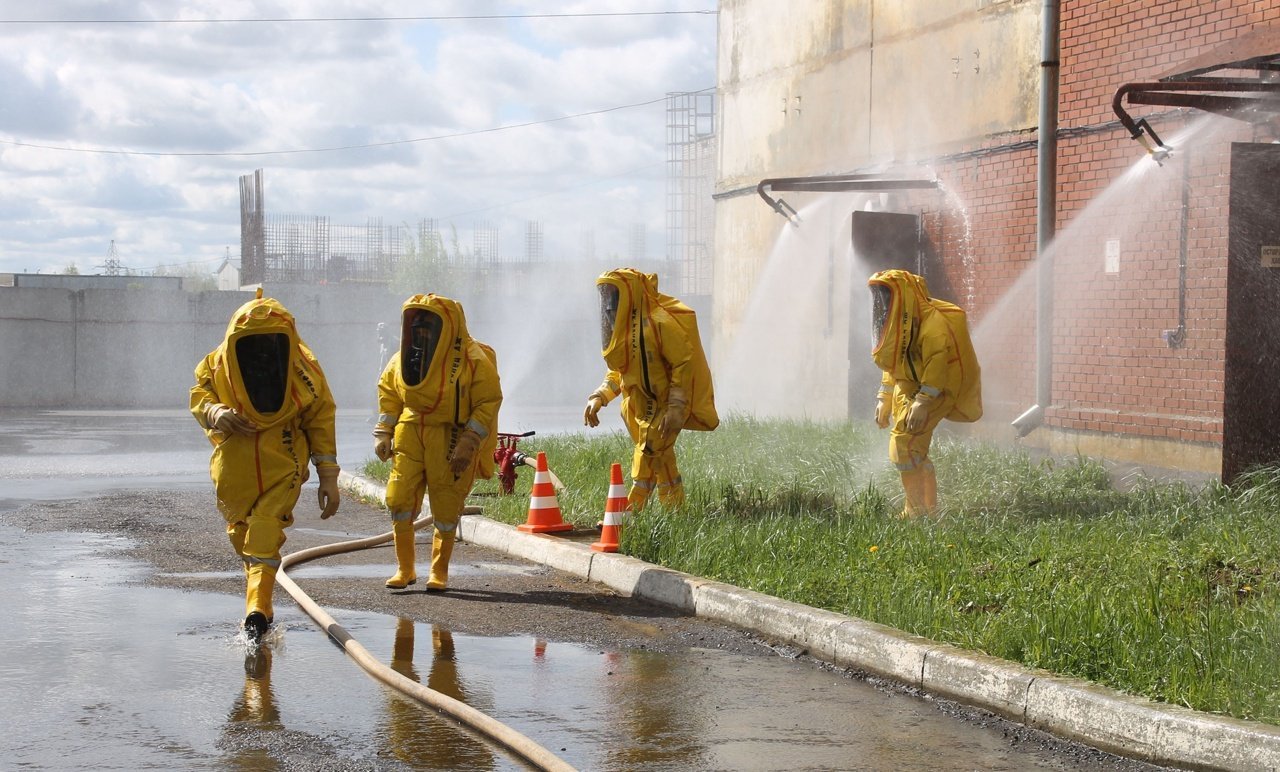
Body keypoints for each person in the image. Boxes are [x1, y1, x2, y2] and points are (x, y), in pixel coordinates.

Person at [191, 289, 340, 642]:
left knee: (263, 532)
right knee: (242, 534)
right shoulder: (218, 363)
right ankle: (260, 602)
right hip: (233, 468)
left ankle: (255, 613)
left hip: (283, 464)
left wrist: (328, 476)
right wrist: (214, 412)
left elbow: (320, 421)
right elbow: (199, 395)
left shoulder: (304, 371)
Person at [372, 294, 501, 591]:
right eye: (418, 328)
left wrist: (469, 442)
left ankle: (438, 571)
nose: (422, 335)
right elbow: (389, 393)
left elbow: (487, 401)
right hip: (410, 429)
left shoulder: (472, 359)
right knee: (398, 497)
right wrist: (383, 431)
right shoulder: (403, 358)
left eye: (428, 328)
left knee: (446, 503)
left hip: (450, 435)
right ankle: (405, 569)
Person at [583, 268, 718, 510]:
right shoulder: (622, 332)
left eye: (613, 298)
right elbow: (619, 371)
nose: (608, 307)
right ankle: (675, 511)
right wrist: (600, 397)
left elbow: (683, 363)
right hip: (637, 408)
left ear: (630, 294)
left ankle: (633, 511)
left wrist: (676, 408)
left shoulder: (660, 323)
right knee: (661, 458)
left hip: (663, 405)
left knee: (648, 451)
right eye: (606, 298)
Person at [868, 269, 982, 518]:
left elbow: (937, 368)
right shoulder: (902, 324)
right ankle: (928, 510)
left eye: (886, 297)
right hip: (909, 389)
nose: (883, 304)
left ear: (904, 296)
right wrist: (884, 397)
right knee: (912, 449)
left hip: (935, 393)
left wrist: (923, 402)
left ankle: (916, 510)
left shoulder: (934, 328)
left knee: (903, 444)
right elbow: (893, 361)